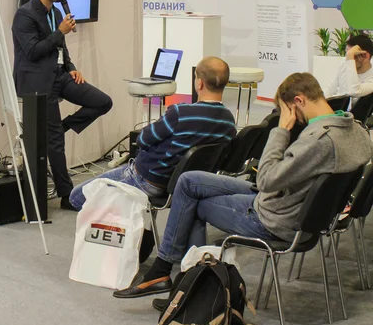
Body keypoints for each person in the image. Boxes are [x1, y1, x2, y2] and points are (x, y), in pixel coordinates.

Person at [114, 72, 373, 299]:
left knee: (195, 203)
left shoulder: (319, 139)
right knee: (188, 181)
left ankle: (182, 283)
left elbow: (266, 179)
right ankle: (175, 277)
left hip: (275, 218)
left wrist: (282, 130)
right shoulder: (357, 130)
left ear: (298, 102)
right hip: (293, 205)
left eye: (286, 111)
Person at [69, 57, 236, 211]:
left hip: (149, 180)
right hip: (190, 185)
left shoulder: (180, 113)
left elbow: (142, 139)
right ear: (225, 83)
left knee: (77, 197)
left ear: (199, 83)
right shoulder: (228, 122)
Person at [12, 0, 113, 210]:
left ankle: (62, 127)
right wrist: (59, 32)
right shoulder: (24, 15)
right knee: (55, 144)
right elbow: (34, 51)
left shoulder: (55, 12)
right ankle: (67, 195)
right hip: (37, 81)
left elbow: (60, 48)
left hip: (59, 75)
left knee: (102, 102)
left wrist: (71, 67)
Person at [326, 34, 373, 106]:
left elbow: (353, 91)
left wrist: (350, 58)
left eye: (351, 54)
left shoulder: (371, 78)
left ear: (365, 56)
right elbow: (331, 89)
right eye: (347, 54)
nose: (347, 59)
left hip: (351, 115)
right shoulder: (345, 65)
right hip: (334, 112)